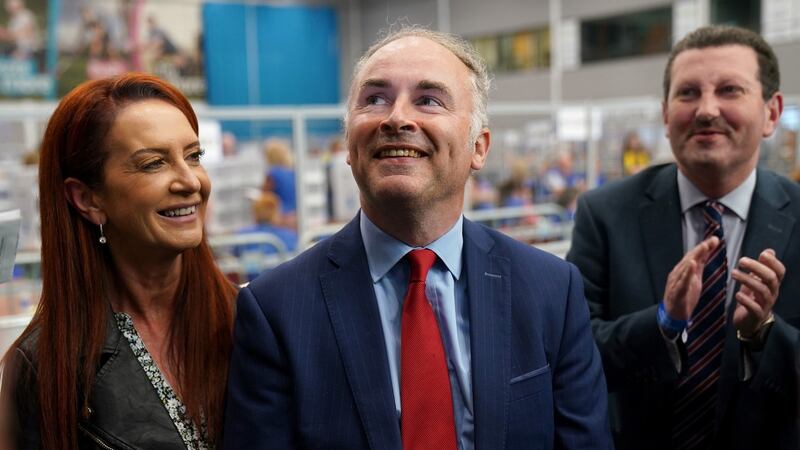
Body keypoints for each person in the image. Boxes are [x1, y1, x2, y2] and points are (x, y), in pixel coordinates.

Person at [224, 26, 612, 449]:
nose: (397, 118)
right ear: (348, 148)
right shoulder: (276, 312)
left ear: (478, 148)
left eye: (429, 100)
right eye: (375, 99)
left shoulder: (552, 291)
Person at [567, 25, 800, 450]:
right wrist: (664, 323)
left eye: (730, 90)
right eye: (688, 93)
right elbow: (574, 355)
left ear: (772, 112)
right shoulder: (604, 213)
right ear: (665, 112)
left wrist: (763, 334)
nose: (706, 110)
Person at [0, 73, 237, 449]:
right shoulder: (46, 367)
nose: (190, 181)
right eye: (153, 163)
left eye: (194, 156)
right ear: (87, 199)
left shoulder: (252, 320)